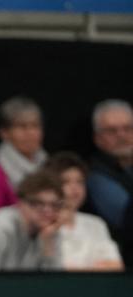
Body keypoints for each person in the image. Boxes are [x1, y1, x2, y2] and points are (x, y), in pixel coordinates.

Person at [43, 152, 123, 271]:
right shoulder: (41, 224)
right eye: (66, 182)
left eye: (80, 182)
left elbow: (116, 266)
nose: (75, 188)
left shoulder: (96, 224)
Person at [0, 96, 47, 221]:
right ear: (4, 133)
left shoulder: (49, 168)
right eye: (22, 127)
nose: (30, 133)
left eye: (35, 126)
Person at [86, 99, 133, 233]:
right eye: (112, 131)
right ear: (97, 138)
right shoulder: (96, 176)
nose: (122, 135)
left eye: (128, 128)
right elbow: (125, 220)